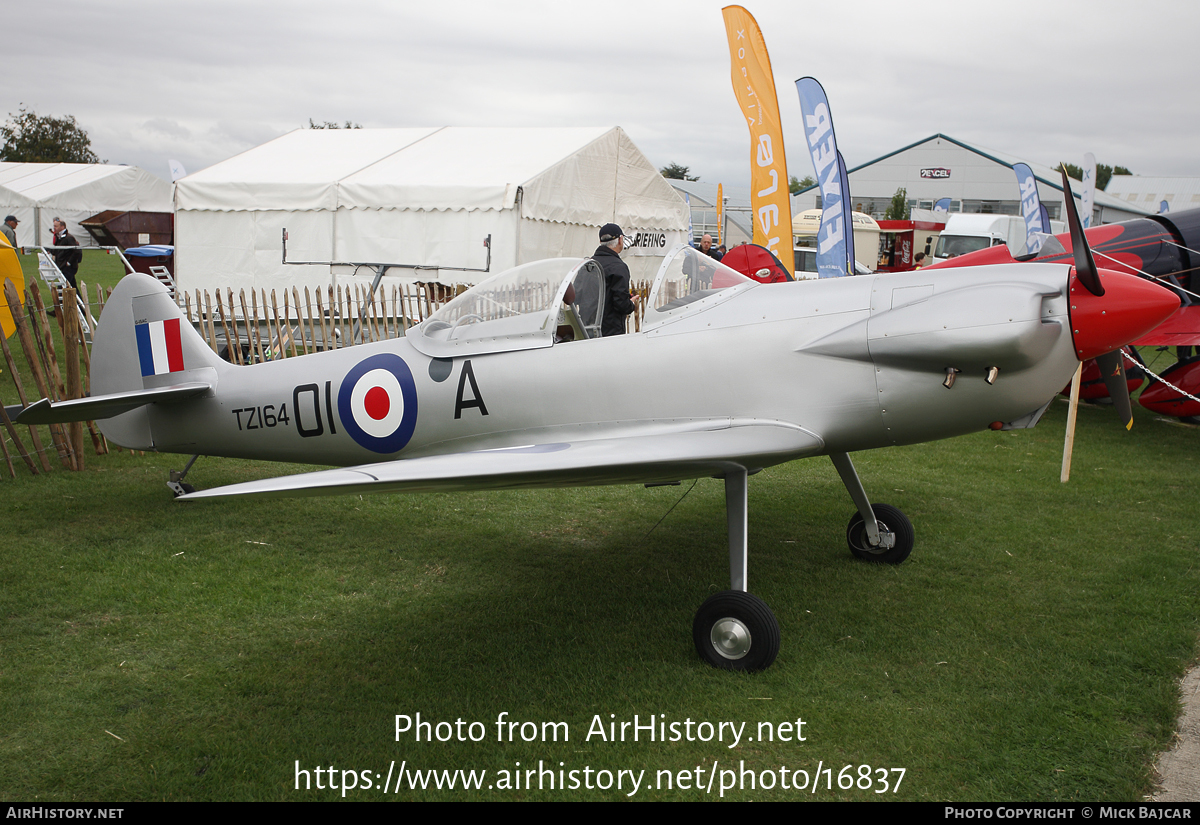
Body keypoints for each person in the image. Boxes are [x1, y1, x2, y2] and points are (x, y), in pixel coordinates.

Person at [592, 223, 639, 337]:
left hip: (587, 328)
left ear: (600, 242)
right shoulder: (618, 267)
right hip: (611, 331)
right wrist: (631, 304)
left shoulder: (588, 264)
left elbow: (578, 296)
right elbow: (621, 304)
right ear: (620, 240)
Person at [50, 218, 82, 288]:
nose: (54, 228)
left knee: (62, 286)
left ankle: (60, 299)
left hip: (68, 267)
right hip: (62, 265)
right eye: (54, 226)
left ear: (62, 227)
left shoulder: (69, 238)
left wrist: (69, 262)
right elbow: (57, 250)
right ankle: (78, 299)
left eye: (56, 226)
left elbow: (77, 251)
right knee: (72, 286)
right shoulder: (58, 237)